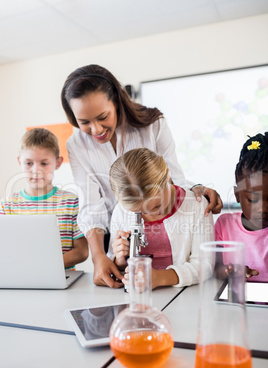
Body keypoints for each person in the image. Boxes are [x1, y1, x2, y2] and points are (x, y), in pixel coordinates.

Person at [61, 64, 222, 287]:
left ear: (116, 102)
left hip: (162, 222)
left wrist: (196, 190)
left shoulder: (152, 124)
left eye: (102, 116)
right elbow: (91, 204)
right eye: (84, 122)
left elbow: (173, 176)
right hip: (117, 228)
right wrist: (100, 257)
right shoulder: (77, 144)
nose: (96, 130)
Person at [109, 148, 215, 289]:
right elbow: (115, 265)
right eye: (137, 211)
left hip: (184, 298)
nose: (149, 215)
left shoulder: (197, 206)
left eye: (155, 206)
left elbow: (205, 265)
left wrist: (160, 278)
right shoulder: (120, 211)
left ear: (167, 176)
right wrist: (120, 260)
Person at [0, 128, 89, 269]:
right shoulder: (7, 205)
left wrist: (46, 266)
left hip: (61, 279)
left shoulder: (71, 202)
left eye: (44, 163)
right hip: (20, 277)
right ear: (19, 162)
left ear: (58, 163)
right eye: (29, 163)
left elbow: (82, 252)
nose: (36, 170)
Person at [215, 133, 268, 282]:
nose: (263, 209)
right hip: (232, 303)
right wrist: (229, 271)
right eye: (252, 199)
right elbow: (214, 269)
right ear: (237, 195)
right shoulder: (224, 225)